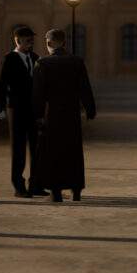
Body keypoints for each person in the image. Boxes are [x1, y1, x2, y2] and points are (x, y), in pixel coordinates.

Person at [31, 29, 96, 202]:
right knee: (73, 151)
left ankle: (56, 192)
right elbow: (85, 88)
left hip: (52, 115)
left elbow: (38, 94)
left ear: (49, 43)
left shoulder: (43, 63)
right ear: (64, 43)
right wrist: (90, 110)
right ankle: (76, 191)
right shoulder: (77, 62)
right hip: (72, 114)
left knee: (54, 152)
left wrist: (37, 116)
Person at [0, 26, 45, 198]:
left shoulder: (36, 57)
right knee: (18, 148)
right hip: (16, 109)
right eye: (27, 39)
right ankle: (19, 186)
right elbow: (2, 84)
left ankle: (36, 184)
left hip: (33, 109)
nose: (31, 42)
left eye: (32, 39)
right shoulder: (9, 59)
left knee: (36, 147)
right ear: (17, 41)